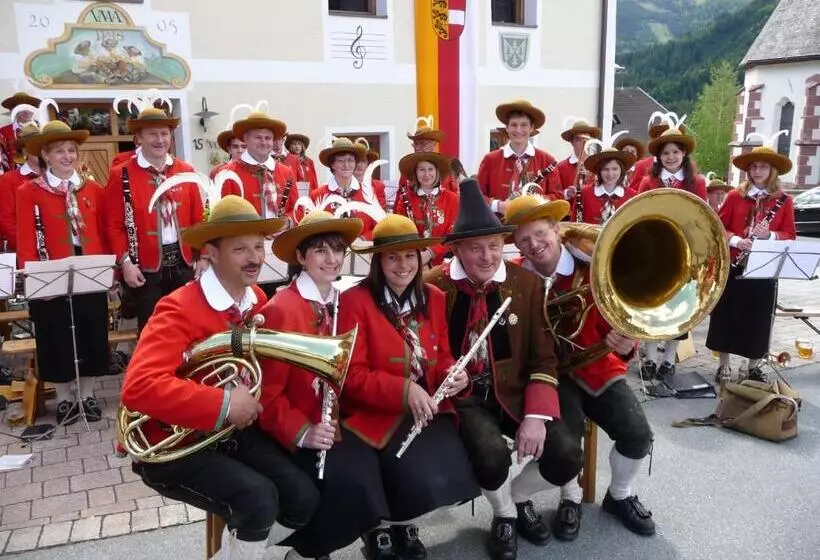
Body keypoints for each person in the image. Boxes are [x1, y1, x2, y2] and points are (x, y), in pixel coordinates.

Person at [120, 195, 319, 560]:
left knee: (303, 498)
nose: (255, 258)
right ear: (211, 252)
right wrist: (225, 403)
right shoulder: (178, 307)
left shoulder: (256, 299)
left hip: (226, 434)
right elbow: (139, 386)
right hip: (171, 444)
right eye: (240, 249)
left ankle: (238, 552)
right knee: (258, 500)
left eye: (259, 247)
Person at [424, 180, 563, 560]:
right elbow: (424, 349)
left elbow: (544, 357)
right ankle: (503, 514)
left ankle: (517, 498)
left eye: (495, 246)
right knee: (490, 455)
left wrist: (535, 416)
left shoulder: (528, 284)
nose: (487, 256)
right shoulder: (434, 285)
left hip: (517, 392)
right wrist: (446, 372)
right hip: (465, 399)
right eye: (475, 248)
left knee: (565, 455)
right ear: (456, 249)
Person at [504, 194, 656, 540]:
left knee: (637, 434)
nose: (534, 244)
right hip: (549, 379)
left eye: (540, 233)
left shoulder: (594, 268)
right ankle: (569, 495)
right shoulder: (514, 280)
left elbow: (625, 317)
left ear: (557, 230)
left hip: (598, 365)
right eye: (523, 240)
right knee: (564, 449)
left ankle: (620, 494)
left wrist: (626, 340)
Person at [332, 213, 480, 560]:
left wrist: (453, 373)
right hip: (374, 412)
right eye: (393, 257)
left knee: (443, 470)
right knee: (398, 468)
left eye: (410, 255)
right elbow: (352, 376)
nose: (403, 265)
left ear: (419, 258)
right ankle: (378, 531)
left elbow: (442, 355)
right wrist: (404, 391)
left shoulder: (434, 298)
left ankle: (405, 524)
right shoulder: (355, 302)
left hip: (425, 408)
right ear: (378, 262)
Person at [258, 209, 383, 560]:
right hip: (300, 428)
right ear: (301, 257)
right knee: (350, 482)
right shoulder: (283, 309)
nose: (332, 259)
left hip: (340, 421)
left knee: (381, 463)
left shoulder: (345, 299)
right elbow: (266, 396)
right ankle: (309, 550)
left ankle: (363, 536)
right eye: (320, 251)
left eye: (337, 250)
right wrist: (302, 431)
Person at [15, 117, 108, 425]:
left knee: (91, 330)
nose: (67, 156)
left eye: (71, 150)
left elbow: (103, 229)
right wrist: (31, 277)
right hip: (50, 267)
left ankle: (87, 395)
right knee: (55, 333)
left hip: (88, 265)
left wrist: (112, 267)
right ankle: (66, 398)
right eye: (59, 152)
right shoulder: (29, 191)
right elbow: (26, 235)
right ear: (45, 156)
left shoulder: (92, 188)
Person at [104, 96, 203, 332]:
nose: (160, 140)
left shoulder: (185, 170)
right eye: (153, 134)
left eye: (164, 134)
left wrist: (204, 257)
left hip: (183, 261)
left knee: (187, 324)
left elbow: (199, 219)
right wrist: (125, 263)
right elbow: (114, 225)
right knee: (152, 328)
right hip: (144, 266)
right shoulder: (122, 174)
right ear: (139, 138)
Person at [706, 134, 796, 383]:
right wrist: (736, 241)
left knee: (757, 318)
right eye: (754, 167)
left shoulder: (784, 201)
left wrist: (768, 236)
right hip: (736, 265)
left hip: (764, 268)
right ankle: (724, 364)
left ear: (772, 170)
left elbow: (790, 234)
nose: (758, 171)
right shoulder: (735, 196)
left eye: (763, 166)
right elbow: (718, 228)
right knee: (726, 316)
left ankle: (753, 364)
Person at [636, 122, 705, 378]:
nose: (671, 157)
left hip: (684, 251)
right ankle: (651, 358)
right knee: (654, 305)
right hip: (655, 250)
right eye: (666, 153)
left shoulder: (696, 182)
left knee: (680, 305)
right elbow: (638, 214)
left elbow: (703, 216)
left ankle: (669, 359)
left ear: (684, 154)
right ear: (659, 157)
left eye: (676, 152)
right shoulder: (648, 181)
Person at [477, 99, 562, 214]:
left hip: (534, 226)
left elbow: (558, 196)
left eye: (524, 125)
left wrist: (535, 201)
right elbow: (477, 196)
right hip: (499, 227)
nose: (518, 130)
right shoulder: (490, 160)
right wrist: (498, 206)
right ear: (507, 128)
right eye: (514, 125)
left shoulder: (547, 160)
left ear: (532, 128)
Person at [220, 107, 298, 225]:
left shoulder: (286, 172)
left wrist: (286, 223)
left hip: (280, 239)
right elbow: (222, 217)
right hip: (245, 241)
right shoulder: (227, 174)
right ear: (245, 139)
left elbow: (297, 209)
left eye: (268, 138)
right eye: (258, 137)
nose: (263, 142)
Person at [392, 151, 458, 267]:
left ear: (437, 172)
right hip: (414, 262)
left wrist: (430, 253)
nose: (426, 174)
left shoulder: (452, 199)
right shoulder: (405, 199)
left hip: (445, 263)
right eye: (422, 170)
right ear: (416, 173)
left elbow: (454, 235)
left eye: (430, 169)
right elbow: (401, 234)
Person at [310, 137, 377, 239]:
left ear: (355, 163)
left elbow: (378, 227)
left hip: (363, 252)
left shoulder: (368, 193)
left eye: (350, 160)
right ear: (332, 165)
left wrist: (363, 239)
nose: (346, 165)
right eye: (341, 161)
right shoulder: (317, 195)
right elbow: (310, 229)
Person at [570, 146, 638, 224]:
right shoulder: (585, 193)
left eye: (615, 169)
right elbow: (574, 225)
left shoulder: (632, 196)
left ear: (621, 170)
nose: (610, 174)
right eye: (605, 169)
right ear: (599, 171)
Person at [0, 123, 41, 251]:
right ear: (24, 151)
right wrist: (29, 247)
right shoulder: (8, 180)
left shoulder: (54, 177)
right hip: (25, 251)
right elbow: (7, 222)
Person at [399, 116, 458, 194]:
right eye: (416, 144)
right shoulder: (407, 169)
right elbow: (400, 197)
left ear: (433, 145)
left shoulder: (444, 168)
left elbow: (453, 196)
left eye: (422, 143)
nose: (418, 148)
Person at [556, 118, 602, 196]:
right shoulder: (560, 167)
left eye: (587, 139)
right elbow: (555, 193)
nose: (583, 143)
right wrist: (568, 193)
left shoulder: (599, 166)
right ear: (571, 142)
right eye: (578, 139)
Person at [0, 91, 41, 173]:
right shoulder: (3, 132)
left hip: (39, 177)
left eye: (29, 108)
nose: (26, 112)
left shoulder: (43, 130)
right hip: (12, 177)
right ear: (13, 110)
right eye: (21, 108)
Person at [353, 138, 388, 208]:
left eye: (363, 161)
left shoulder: (378, 186)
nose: (359, 164)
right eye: (356, 161)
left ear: (368, 164)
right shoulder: (343, 186)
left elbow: (382, 212)